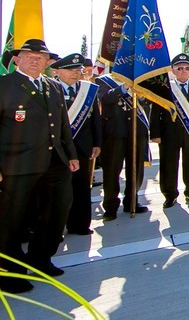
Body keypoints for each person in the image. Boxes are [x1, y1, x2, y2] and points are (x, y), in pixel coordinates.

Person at [0, 39, 79, 293]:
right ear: (17, 59)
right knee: (12, 221)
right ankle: (10, 272)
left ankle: (41, 259)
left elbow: (63, 124)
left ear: (47, 62)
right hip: (17, 164)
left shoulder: (52, 86)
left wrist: (71, 154)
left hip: (54, 162)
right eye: (29, 56)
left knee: (57, 211)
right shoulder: (4, 85)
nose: (35, 60)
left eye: (40, 57)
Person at [51, 53, 102, 235]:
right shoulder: (51, 89)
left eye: (78, 69)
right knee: (58, 191)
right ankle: (55, 229)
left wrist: (97, 143)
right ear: (57, 71)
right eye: (70, 69)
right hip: (58, 148)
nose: (75, 73)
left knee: (81, 188)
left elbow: (96, 119)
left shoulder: (88, 90)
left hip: (82, 147)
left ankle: (80, 225)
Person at [151, 53, 189, 206]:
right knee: (168, 165)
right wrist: (155, 134)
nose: (183, 71)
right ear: (173, 70)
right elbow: (155, 112)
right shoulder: (164, 88)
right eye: (179, 68)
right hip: (169, 134)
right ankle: (170, 195)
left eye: (187, 68)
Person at [100, 82, 151, 219]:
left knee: (136, 170)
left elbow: (148, 102)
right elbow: (105, 98)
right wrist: (124, 87)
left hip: (137, 131)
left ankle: (131, 201)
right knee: (112, 171)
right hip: (115, 133)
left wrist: (141, 96)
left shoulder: (139, 80)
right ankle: (110, 206)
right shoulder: (104, 81)